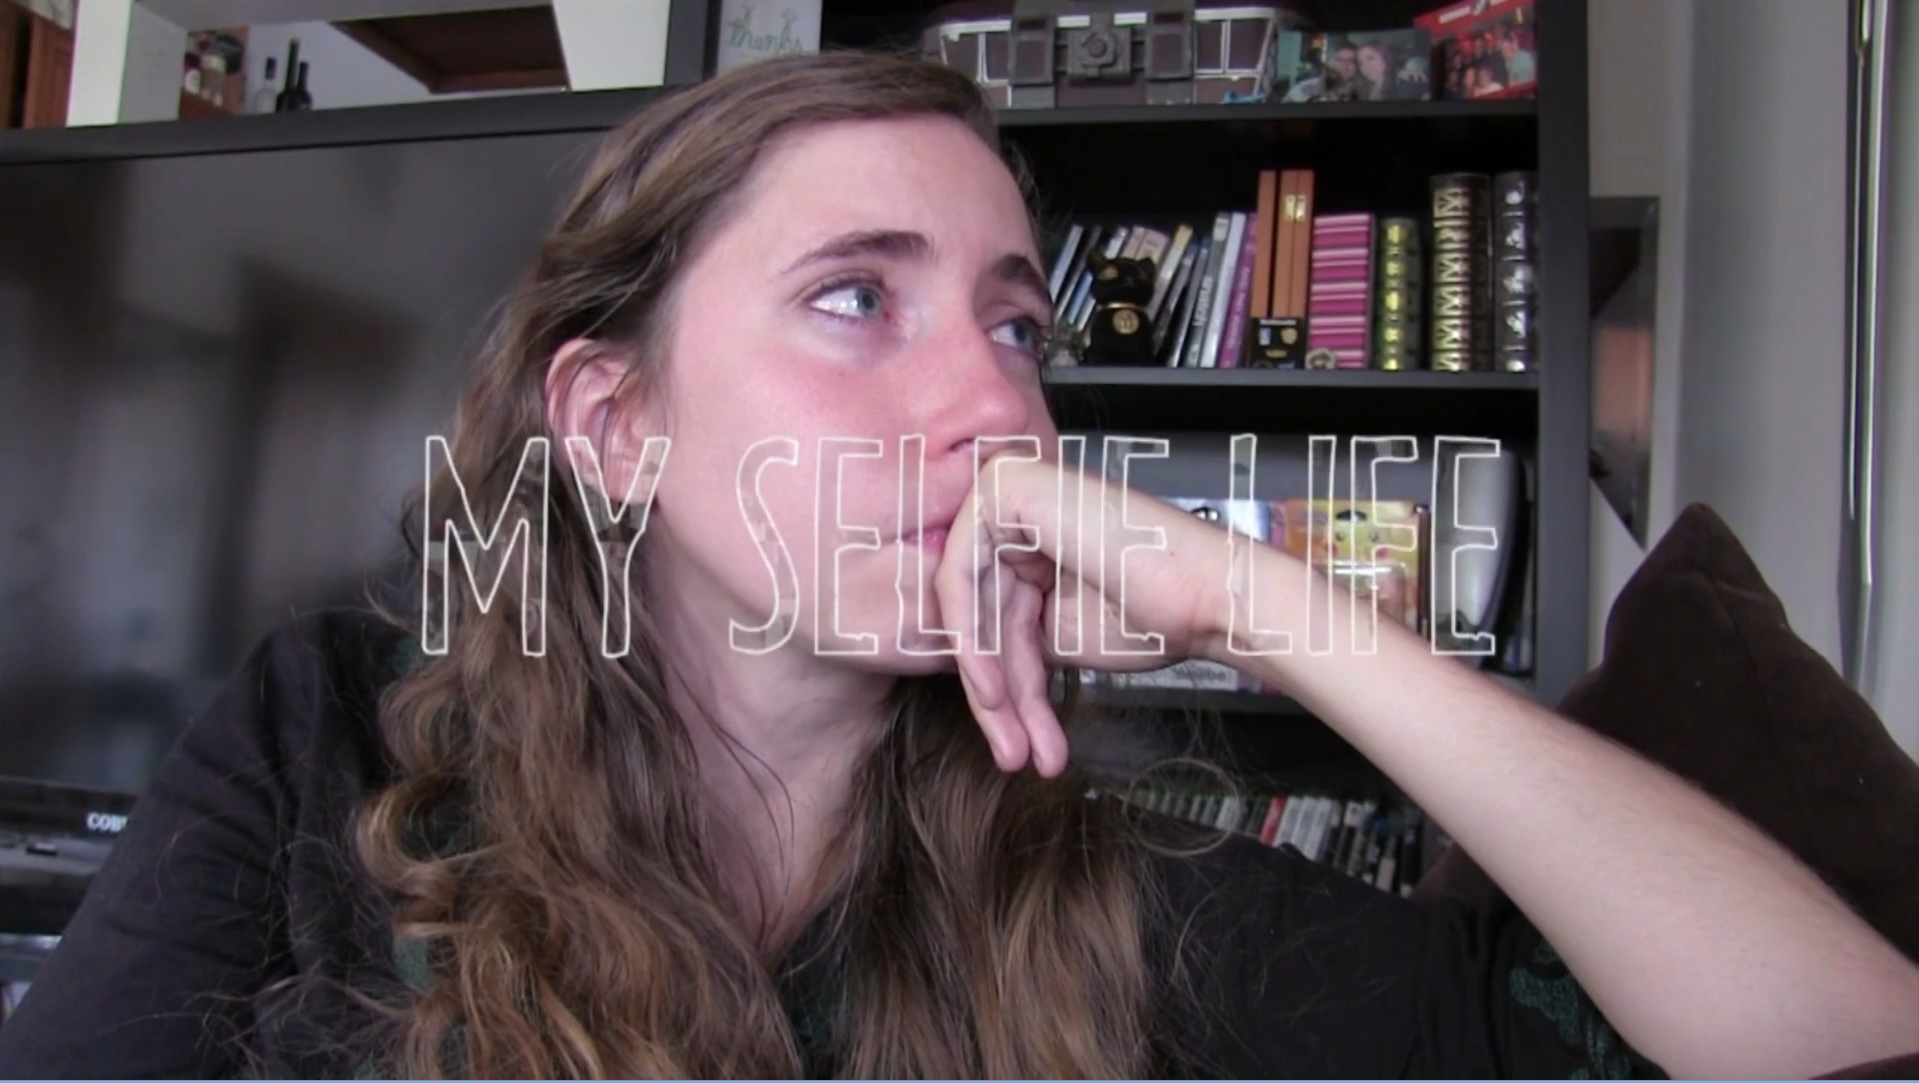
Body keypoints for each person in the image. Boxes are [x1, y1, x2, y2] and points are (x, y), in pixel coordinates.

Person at [2, 51, 1916, 1081]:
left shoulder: (1118, 891)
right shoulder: (325, 745)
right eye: (856, 297)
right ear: (612, 421)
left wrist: (1264, 610)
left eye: (1014, 326)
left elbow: (1840, 1038)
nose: (993, 400)